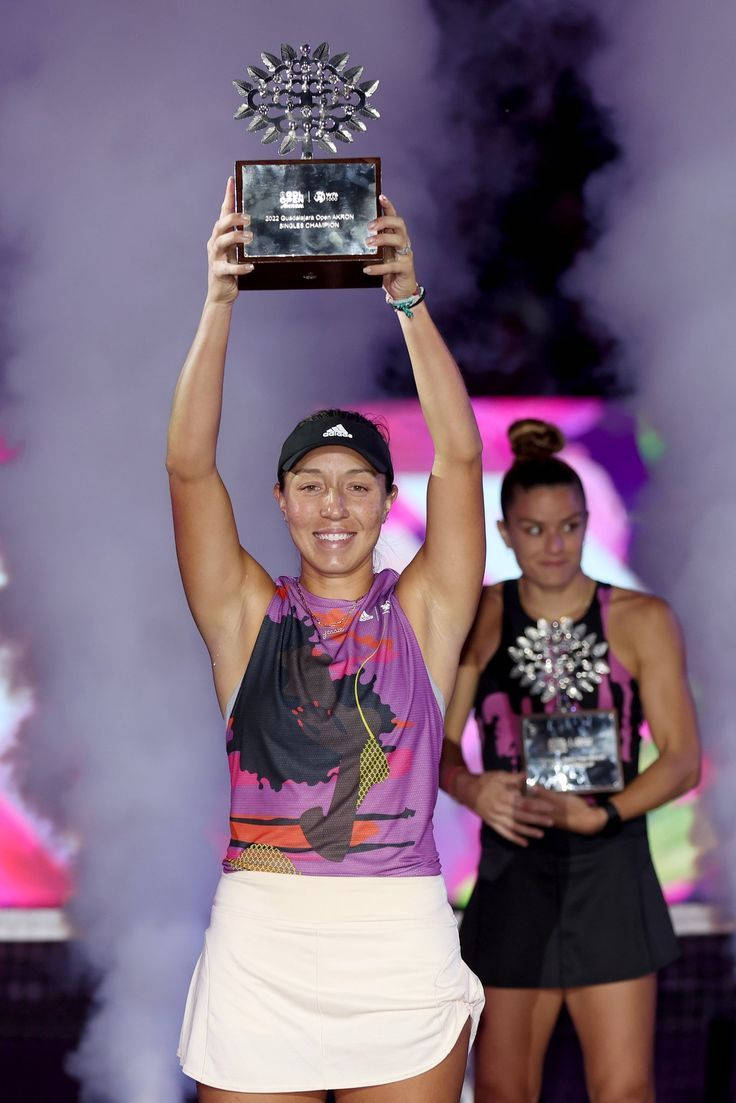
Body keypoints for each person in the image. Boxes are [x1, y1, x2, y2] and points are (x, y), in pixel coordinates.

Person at [168, 178, 485, 1102]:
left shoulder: (421, 613)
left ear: (389, 502)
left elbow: (461, 457)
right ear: (280, 501)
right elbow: (189, 467)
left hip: (397, 938)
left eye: (356, 483)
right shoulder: (246, 615)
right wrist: (218, 301)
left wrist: (409, 301)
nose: (333, 505)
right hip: (262, 938)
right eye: (310, 483)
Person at [440, 418, 701, 1103]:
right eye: (534, 529)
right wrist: (470, 787)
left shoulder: (640, 619)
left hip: (610, 870)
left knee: (623, 1089)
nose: (554, 545)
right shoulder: (481, 615)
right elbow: (431, 746)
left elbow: (682, 759)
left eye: (570, 526)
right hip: (512, 871)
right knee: (502, 1089)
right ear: (504, 532)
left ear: (588, 523)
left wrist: (605, 813)